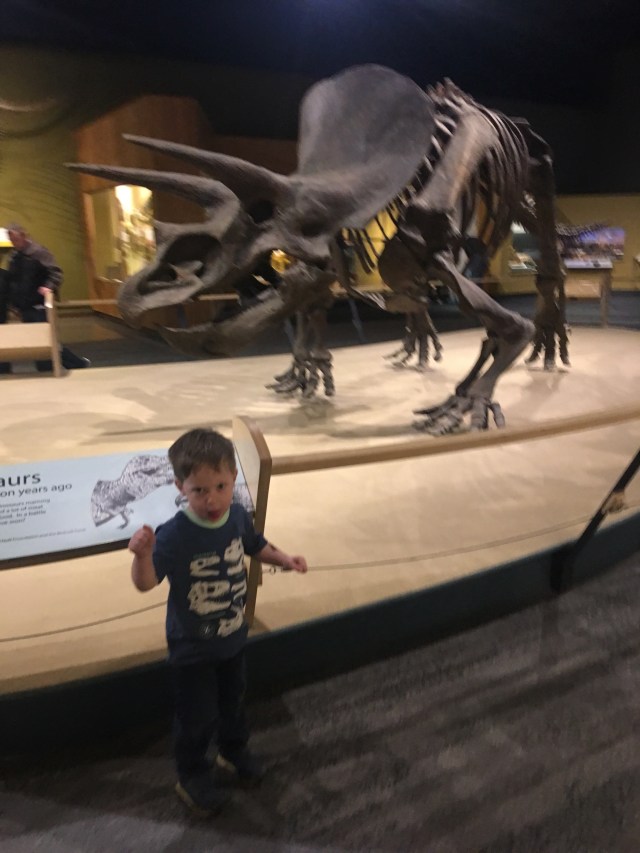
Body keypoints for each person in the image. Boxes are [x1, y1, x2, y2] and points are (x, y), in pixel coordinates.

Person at [128, 428, 308, 817]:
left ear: (234, 479)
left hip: (232, 637)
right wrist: (142, 556)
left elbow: (255, 544)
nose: (212, 499)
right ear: (180, 487)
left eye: (221, 487)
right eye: (199, 490)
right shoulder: (173, 535)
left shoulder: (237, 515)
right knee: (197, 715)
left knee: (233, 702)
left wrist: (285, 559)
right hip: (193, 648)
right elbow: (146, 583)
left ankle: (233, 751)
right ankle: (192, 775)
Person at [0, 223, 90, 373]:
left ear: (23, 236)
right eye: (11, 240)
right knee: (36, 337)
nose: (13, 243)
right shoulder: (15, 256)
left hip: (38, 303)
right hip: (24, 304)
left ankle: (74, 363)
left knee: (46, 336)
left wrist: (48, 287)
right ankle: (48, 366)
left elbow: (55, 272)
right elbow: (14, 279)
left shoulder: (38, 252)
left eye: (15, 239)